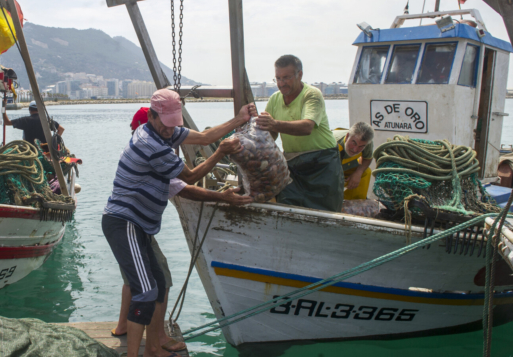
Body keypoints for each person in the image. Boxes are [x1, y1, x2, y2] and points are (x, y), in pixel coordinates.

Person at [102, 89, 256, 357]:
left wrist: (238, 119)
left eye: (175, 123)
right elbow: (191, 176)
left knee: (159, 283)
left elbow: (206, 136)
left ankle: (152, 349)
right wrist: (220, 152)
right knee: (146, 290)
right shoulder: (151, 145)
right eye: (165, 123)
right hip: (123, 221)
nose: (170, 130)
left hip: (140, 225)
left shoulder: (168, 133)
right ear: (150, 116)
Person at [255, 54, 344, 212]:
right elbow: (271, 134)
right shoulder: (275, 99)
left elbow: (307, 127)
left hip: (322, 163)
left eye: (286, 78)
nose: (281, 84)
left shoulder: (312, 95)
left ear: (299, 75)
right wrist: (254, 142)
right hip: (293, 163)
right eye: (278, 78)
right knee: (288, 207)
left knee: (326, 212)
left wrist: (274, 124)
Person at [333, 122, 375, 200]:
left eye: (361, 146)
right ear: (348, 136)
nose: (355, 149)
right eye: (354, 143)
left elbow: (367, 158)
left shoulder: (367, 142)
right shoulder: (332, 142)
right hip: (326, 170)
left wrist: (358, 173)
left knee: (366, 172)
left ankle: (353, 204)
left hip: (344, 167)